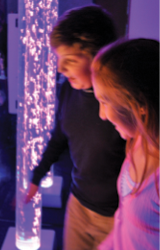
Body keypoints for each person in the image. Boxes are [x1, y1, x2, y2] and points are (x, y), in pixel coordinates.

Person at [25, 5, 126, 250]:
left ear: (99, 57)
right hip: (78, 205)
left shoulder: (123, 106)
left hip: (116, 217)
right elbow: (59, 137)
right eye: (59, 60)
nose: (60, 69)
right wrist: (37, 176)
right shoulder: (68, 90)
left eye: (70, 60)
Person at [91, 38, 160, 250]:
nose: (101, 115)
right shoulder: (138, 141)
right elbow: (125, 221)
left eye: (105, 102)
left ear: (139, 105)